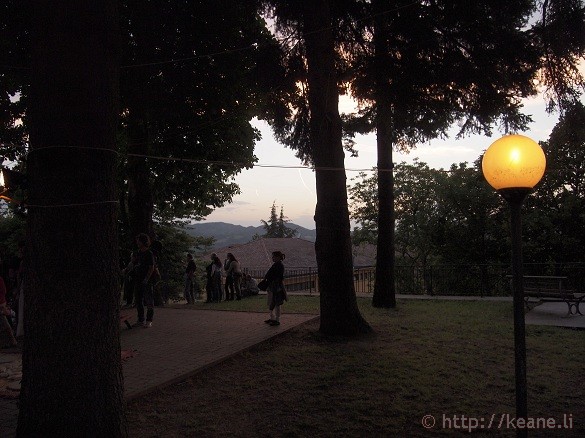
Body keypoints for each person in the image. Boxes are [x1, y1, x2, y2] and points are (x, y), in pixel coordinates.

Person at [133, 233, 155, 328]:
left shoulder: (149, 253)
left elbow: (151, 267)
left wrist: (146, 278)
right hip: (138, 279)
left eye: (138, 240)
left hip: (147, 280)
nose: (137, 242)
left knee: (149, 300)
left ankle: (149, 320)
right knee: (138, 300)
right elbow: (133, 263)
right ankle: (140, 319)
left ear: (143, 241)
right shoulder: (138, 252)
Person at [263, 251, 287, 326]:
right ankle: (272, 318)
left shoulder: (279, 265)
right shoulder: (276, 265)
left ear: (278, 257)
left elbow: (278, 277)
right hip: (273, 286)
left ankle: (277, 319)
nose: (272, 258)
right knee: (272, 303)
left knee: (277, 303)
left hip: (277, 287)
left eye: (274, 256)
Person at [0, 274, 18, 348]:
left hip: (0, 303)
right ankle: (12, 340)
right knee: (4, 322)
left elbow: (3, 291)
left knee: (4, 322)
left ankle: (12, 340)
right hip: (1, 302)